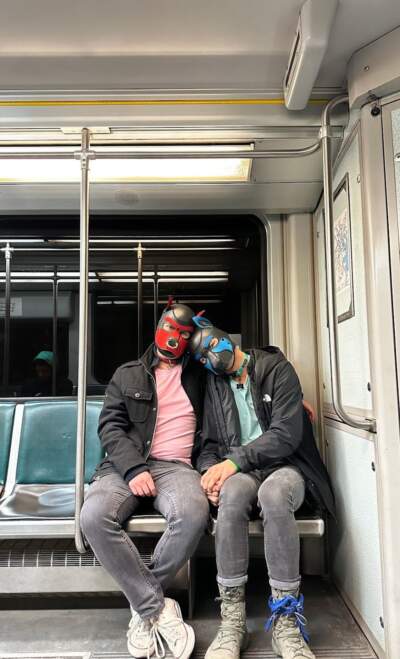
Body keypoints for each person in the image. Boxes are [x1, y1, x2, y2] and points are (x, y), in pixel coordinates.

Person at [190, 318, 335, 659]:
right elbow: (210, 442)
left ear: (226, 340)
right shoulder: (215, 384)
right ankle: (232, 621)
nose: (211, 360)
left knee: (273, 495)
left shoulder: (277, 370)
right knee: (232, 494)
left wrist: (233, 462)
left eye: (212, 349)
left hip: (288, 466)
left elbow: (286, 435)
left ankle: (286, 620)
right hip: (243, 469)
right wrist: (210, 472)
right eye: (203, 359)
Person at [80, 301, 210, 659]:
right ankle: (156, 607)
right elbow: (110, 427)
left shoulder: (202, 375)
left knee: (194, 512)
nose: (176, 339)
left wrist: (285, 392)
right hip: (125, 466)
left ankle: (141, 607)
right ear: (159, 327)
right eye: (172, 329)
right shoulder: (128, 374)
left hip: (177, 467)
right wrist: (134, 468)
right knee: (93, 516)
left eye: (185, 335)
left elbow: (249, 360)